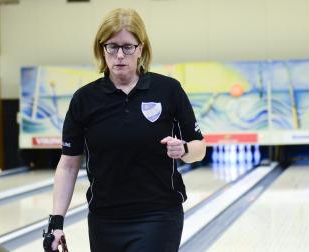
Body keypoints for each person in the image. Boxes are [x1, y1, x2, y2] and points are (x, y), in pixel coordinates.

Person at [43, 8, 206, 252]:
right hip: (104, 220)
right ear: (102, 49)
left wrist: (183, 148)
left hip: (159, 215)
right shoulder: (84, 99)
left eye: (128, 47)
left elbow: (199, 148)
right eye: (112, 46)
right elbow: (68, 165)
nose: (120, 55)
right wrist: (56, 223)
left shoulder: (168, 90)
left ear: (141, 48)